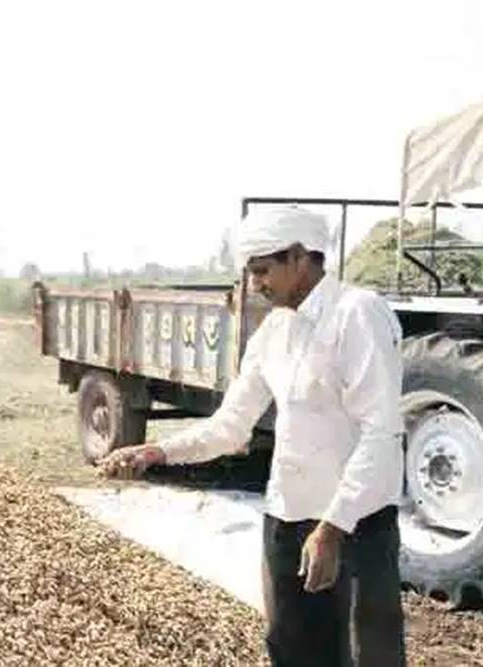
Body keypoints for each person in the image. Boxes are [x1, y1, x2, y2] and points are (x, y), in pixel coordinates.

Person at [98, 206, 406, 666]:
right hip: (288, 519)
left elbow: (381, 432)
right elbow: (230, 426)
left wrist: (333, 528)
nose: (256, 285)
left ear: (301, 257)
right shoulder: (273, 333)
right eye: (250, 273)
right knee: (292, 651)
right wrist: (156, 451)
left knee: (367, 655)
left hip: (354, 527)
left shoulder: (356, 314)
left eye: (263, 271)